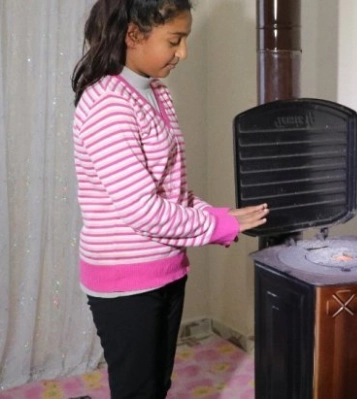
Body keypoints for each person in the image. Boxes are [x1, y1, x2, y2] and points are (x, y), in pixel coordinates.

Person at [71, 1, 268, 398]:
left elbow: (172, 191)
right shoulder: (108, 103)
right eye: (174, 40)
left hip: (166, 268)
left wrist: (218, 214)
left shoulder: (158, 94)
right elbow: (141, 209)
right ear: (133, 34)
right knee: (138, 390)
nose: (183, 53)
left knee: (156, 385)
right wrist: (216, 226)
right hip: (127, 280)